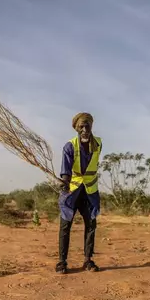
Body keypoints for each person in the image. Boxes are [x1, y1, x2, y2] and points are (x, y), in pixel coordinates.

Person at [56, 112, 102, 274]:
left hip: (90, 190)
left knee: (91, 225)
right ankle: (62, 262)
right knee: (65, 225)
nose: (84, 129)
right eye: (81, 126)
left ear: (91, 126)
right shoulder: (69, 146)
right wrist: (65, 182)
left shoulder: (98, 144)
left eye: (87, 125)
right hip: (72, 190)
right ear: (76, 128)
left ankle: (88, 260)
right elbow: (66, 169)